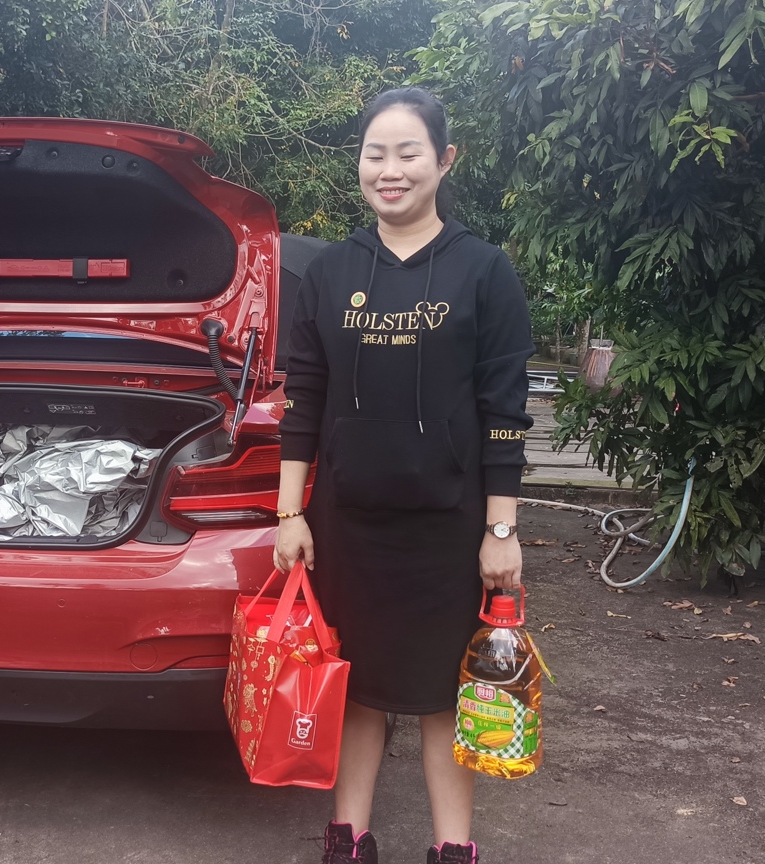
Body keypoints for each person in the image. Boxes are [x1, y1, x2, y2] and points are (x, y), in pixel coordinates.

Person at [274, 87, 534, 864]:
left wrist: (500, 529)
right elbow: (303, 398)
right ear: (358, 163)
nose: (389, 171)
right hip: (348, 524)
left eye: (407, 153)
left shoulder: (484, 270)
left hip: (448, 529)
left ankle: (452, 848)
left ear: (443, 160)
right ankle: (347, 839)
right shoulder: (329, 273)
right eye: (375, 154)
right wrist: (289, 513)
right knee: (355, 687)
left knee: (443, 694)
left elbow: (503, 412)